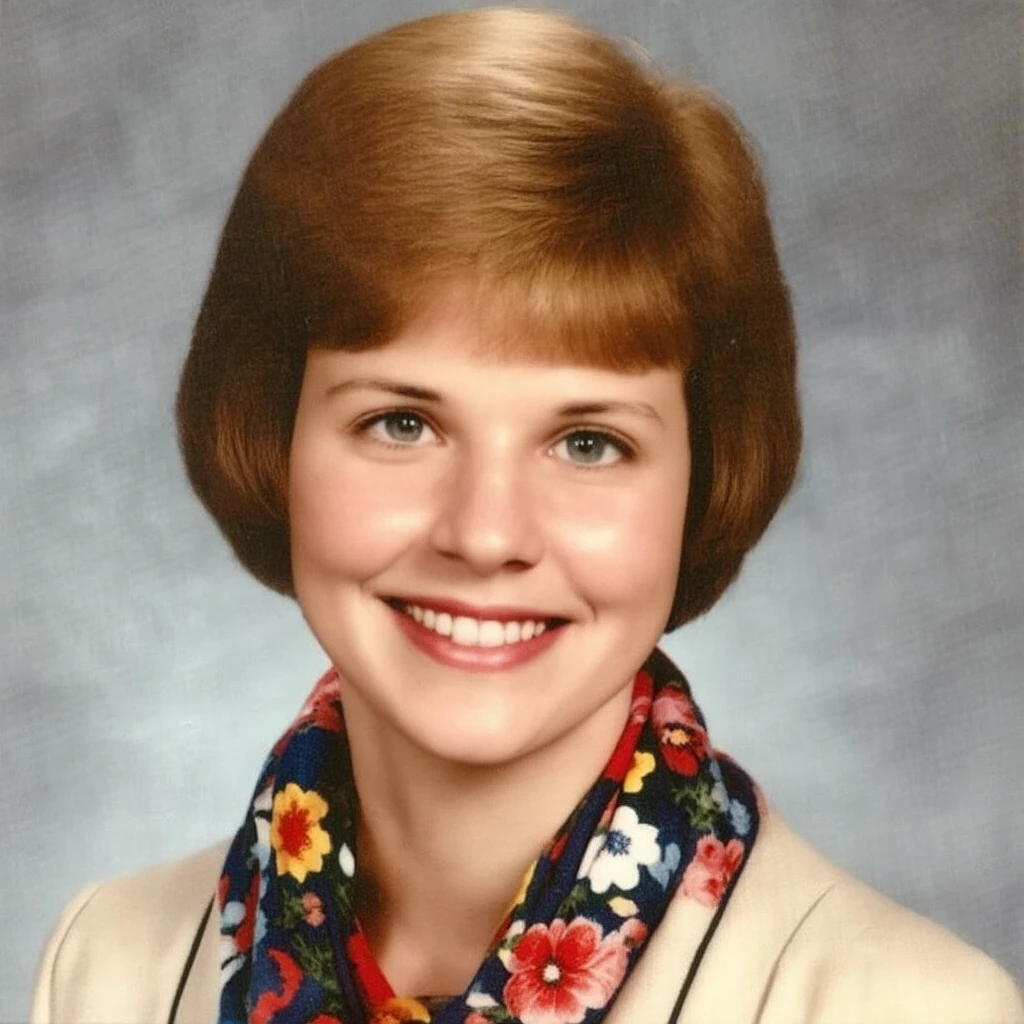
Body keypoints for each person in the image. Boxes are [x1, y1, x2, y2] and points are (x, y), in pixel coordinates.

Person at [29, 8, 1023, 1024]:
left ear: (704, 477)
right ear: (269, 436)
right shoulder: (107, 968)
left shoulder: (906, 1005)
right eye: (402, 422)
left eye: (588, 442)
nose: (486, 532)